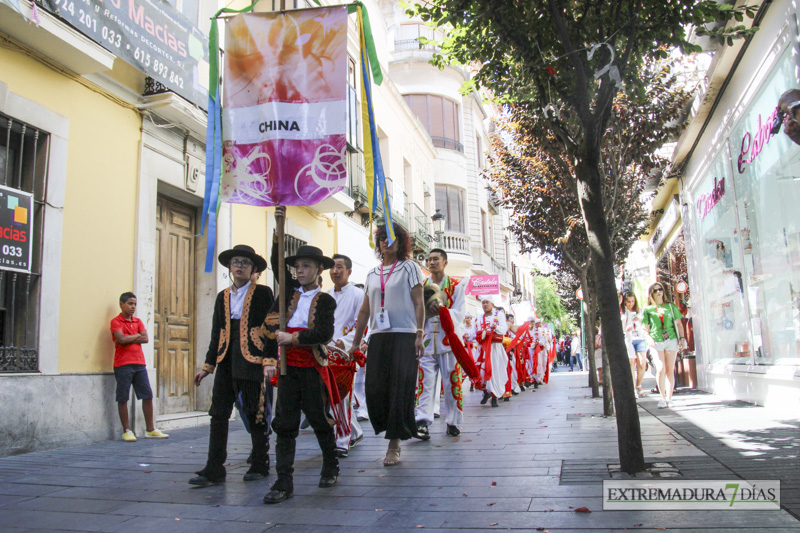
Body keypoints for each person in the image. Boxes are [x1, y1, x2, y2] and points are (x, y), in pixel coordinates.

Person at [263, 232, 339, 504]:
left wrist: (293, 338)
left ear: (319, 270)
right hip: (286, 369)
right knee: (284, 424)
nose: (300, 270)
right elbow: (276, 266)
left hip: (311, 367)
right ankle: (284, 482)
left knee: (319, 419)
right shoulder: (287, 293)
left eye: (306, 266)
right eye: (298, 266)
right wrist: (276, 238)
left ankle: (331, 465)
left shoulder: (327, 301)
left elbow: (324, 333)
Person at [190, 245, 274, 486]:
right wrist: (208, 366)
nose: (239, 266)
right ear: (229, 267)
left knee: (254, 412)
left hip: (252, 359)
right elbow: (217, 332)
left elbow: (270, 330)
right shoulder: (222, 296)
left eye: (245, 263)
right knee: (218, 414)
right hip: (226, 359)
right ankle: (214, 468)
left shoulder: (263, 293)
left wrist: (269, 361)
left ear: (253, 269)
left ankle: (260, 462)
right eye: (235, 262)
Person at [349, 223, 425, 467]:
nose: (385, 242)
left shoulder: (410, 267)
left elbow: (419, 302)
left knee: (398, 389)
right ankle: (387, 428)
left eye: (390, 238)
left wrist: (419, 333)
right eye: (382, 238)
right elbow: (364, 310)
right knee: (375, 388)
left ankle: (394, 443)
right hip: (378, 336)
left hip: (404, 334)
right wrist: (356, 342)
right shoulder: (372, 274)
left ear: (401, 242)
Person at [415, 248, 467, 439]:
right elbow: (416, 313)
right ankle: (422, 421)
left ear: (445, 262)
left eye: (436, 259)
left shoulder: (456, 285)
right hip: (427, 342)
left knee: (452, 381)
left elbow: (460, 313)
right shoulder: (421, 286)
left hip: (449, 342)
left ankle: (453, 422)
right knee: (425, 383)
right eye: (429, 260)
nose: (432, 262)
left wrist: (443, 310)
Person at [110, 292, 169, 442]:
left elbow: (146, 338)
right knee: (123, 397)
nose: (133, 307)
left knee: (147, 395)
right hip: (123, 364)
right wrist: (136, 336)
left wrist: (129, 338)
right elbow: (120, 339)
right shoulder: (115, 322)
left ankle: (150, 429)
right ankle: (127, 430)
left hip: (139, 364)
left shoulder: (138, 321)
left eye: (135, 304)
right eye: (130, 303)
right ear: (121, 304)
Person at [326, 253, 366, 457]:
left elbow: (364, 324)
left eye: (339, 267)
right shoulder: (325, 295)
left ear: (349, 271)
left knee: (342, 397)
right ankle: (355, 432)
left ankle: (342, 440)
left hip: (345, 354)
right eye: (332, 267)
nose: (335, 271)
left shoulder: (358, 295)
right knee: (333, 398)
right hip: (325, 353)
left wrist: (348, 341)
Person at [641, 282, 687, 408]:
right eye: (655, 291)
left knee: (669, 369)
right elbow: (645, 328)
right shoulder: (648, 309)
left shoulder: (670, 307)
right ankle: (662, 397)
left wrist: (682, 338)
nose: (658, 292)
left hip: (671, 340)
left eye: (660, 289)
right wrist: (648, 338)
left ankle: (669, 398)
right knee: (660, 369)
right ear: (651, 294)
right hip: (656, 341)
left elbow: (678, 324)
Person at [476, 296, 508, 407]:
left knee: (495, 371)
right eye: (483, 303)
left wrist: (496, 328)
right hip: (483, 349)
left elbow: (504, 329)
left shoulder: (499, 315)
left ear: (492, 304)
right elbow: (476, 332)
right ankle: (486, 392)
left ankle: (494, 396)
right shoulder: (479, 317)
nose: (485, 304)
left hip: (495, 349)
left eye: (487, 302)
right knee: (482, 372)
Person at [621, 291, 647, 397]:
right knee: (632, 363)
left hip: (640, 338)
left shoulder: (640, 311)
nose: (630, 304)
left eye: (632, 301)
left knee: (642, 363)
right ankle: (633, 388)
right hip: (629, 338)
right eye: (628, 302)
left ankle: (639, 384)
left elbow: (646, 323)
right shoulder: (624, 312)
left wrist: (639, 319)